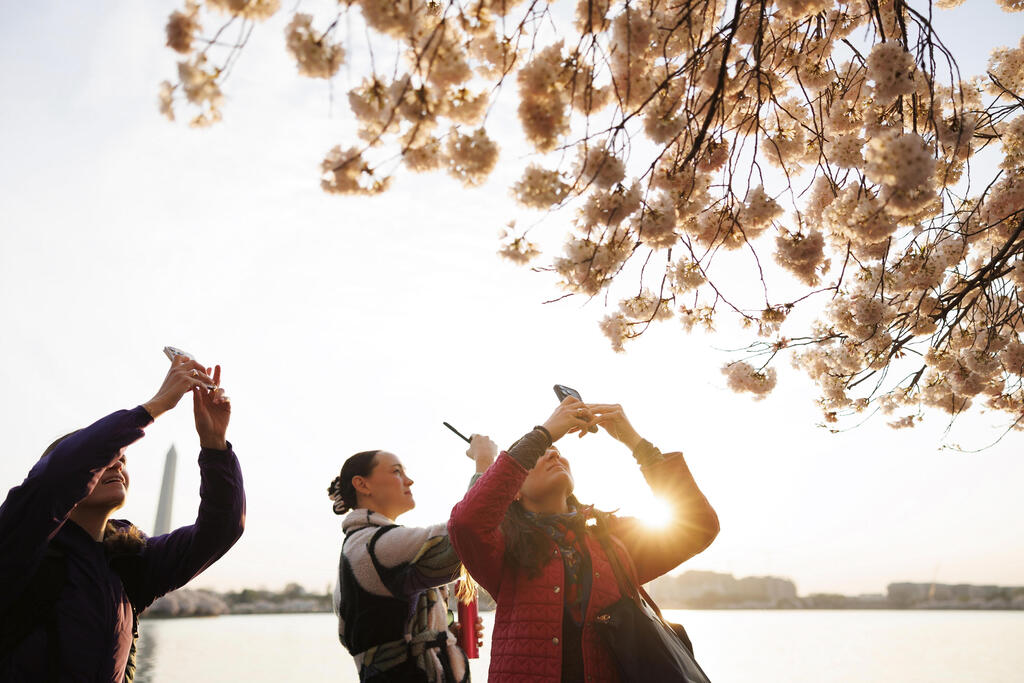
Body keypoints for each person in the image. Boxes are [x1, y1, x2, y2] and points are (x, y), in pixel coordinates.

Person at [0, 355, 246, 682]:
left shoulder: (130, 565)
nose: (118, 465)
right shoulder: (18, 545)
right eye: (107, 458)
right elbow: (58, 475)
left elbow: (222, 527)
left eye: (123, 460)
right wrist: (155, 406)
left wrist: (215, 445)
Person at [447, 396, 720, 683]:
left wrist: (636, 444)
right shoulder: (504, 547)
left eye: (556, 450)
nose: (553, 454)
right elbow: (466, 523)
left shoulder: (612, 538)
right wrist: (544, 433)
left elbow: (699, 526)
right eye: (539, 454)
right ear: (513, 489)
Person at [329, 441, 492, 683]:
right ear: (362, 484)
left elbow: (383, 634)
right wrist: (485, 465)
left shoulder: (359, 546)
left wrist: (442, 636)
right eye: (396, 471)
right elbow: (465, 537)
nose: (409, 480)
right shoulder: (375, 544)